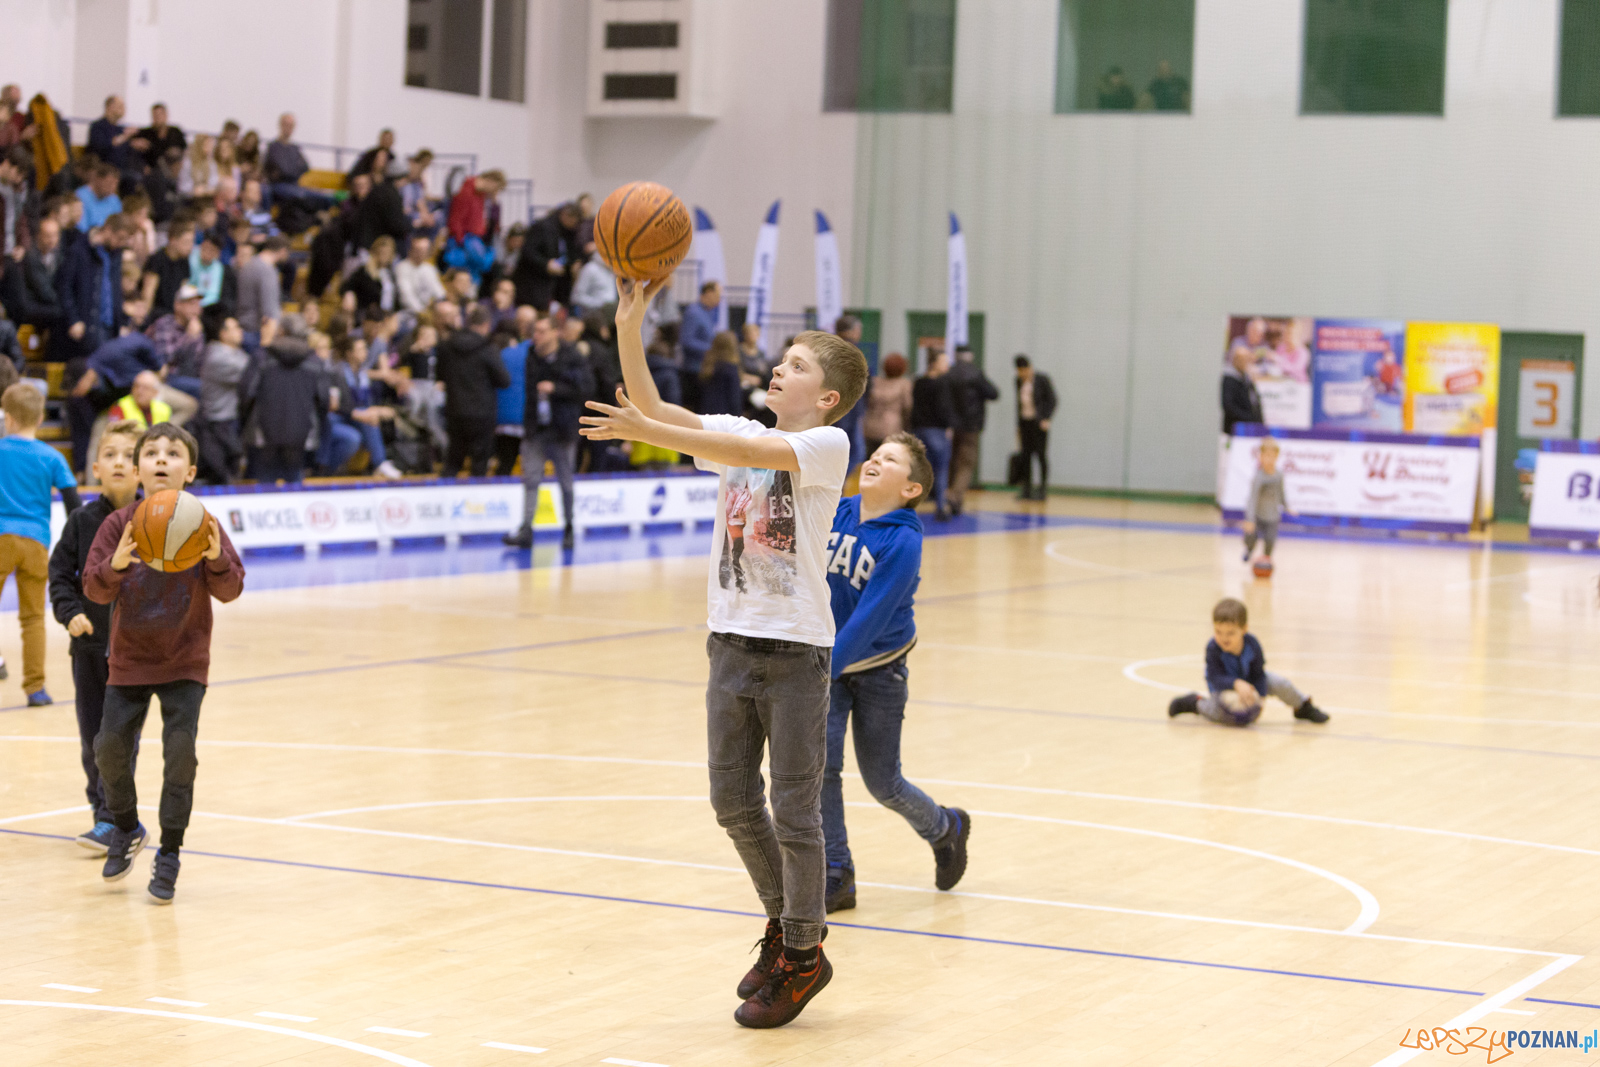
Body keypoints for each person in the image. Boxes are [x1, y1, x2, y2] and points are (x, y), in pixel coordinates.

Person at [579, 278, 869, 1030]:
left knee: (794, 813)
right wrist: (629, 328)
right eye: (783, 357)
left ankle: (804, 953)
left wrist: (654, 428)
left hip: (797, 650)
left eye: (798, 364)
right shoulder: (741, 429)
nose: (780, 367)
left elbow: (730, 445)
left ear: (828, 397)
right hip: (730, 643)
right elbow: (660, 409)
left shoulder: (822, 445)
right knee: (732, 802)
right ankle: (787, 927)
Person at [85, 421, 245, 903]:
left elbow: (232, 588)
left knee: (179, 756)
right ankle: (127, 826)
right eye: (151, 453)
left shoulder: (205, 524)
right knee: (108, 748)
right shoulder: (119, 524)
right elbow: (93, 587)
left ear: (190, 471)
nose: (160, 459)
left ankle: (170, 850)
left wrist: (215, 558)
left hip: (185, 661)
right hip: (130, 659)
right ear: (137, 469)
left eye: (172, 453)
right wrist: (114, 566)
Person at [820, 433, 969, 912]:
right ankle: (836, 872)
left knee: (883, 783)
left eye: (889, 460)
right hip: (828, 664)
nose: (874, 461)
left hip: (878, 670)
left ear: (911, 488)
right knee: (821, 768)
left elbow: (869, 620)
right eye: (875, 454)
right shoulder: (837, 511)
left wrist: (820, 671)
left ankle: (946, 827)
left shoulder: (903, 541)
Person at [48, 419, 142, 852]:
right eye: (110, 455)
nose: (119, 462)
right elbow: (59, 575)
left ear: (141, 467)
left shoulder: (156, 521)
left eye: (128, 455)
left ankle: (116, 817)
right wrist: (70, 614)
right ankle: (102, 813)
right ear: (95, 467)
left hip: (137, 653)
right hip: (88, 650)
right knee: (93, 738)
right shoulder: (81, 521)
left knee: (119, 737)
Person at [0, 382, 82, 706]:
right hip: (36, 542)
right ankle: (36, 688)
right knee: (33, 618)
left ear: (9, 418)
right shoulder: (53, 457)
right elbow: (73, 503)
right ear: (38, 418)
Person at [503, 314, 591, 550]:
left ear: (555, 332)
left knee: (566, 481)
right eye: (535, 332)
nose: (536, 336)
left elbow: (585, 387)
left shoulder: (572, 357)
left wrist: (556, 389)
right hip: (536, 427)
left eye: (542, 331)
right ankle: (526, 529)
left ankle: (569, 528)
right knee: (530, 479)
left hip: (562, 429)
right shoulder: (532, 355)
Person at [1168, 598, 1328, 727]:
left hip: (1250, 682)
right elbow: (1215, 677)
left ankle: (1302, 707)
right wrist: (1236, 683)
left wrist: (1261, 696)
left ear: (1244, 629)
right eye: (1218, 632)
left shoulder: (1252, 644)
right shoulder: (1213, 648)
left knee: (1281, 683)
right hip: (1222, 688)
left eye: (1230, 633)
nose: (1223, 638)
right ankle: (1195, 704)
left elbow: (1258, 674)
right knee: (1224, 715)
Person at [241, 324, 325, 484]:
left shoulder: (262, 356)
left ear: (281, 332)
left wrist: (244, 420)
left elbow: (246, 393)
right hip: (302, 431)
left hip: (263, 431)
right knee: (295, 483)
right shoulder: (314, 360)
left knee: (265, 485)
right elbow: (323, 400)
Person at [439, 305, 511, 476]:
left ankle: (442, 500)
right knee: (479, 463)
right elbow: (504, 381)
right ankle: (476, 502)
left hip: (455, 410)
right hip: (482, 414)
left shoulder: (447, 346)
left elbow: (440, 375)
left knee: (453, 460)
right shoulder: (488, 348)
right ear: (486, 325)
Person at [945, 345, 998, 516]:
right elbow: (993, 393)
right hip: (971, 425)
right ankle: (955, 496)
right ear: (970, 356)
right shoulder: (976, 374)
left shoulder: (948, 373)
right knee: (966, 463)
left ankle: (949, 495)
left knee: (953, 461)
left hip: (952, 425)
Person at [196, 313, 248, 484]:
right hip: (218, 422)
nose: (241, 331)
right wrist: (265, 344)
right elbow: (251, 372)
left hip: (229, 419)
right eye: (235, 328)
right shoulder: (218, 357)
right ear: (223, 334)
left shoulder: (235, 353)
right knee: (223, 474)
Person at [910, 349, 956, 521]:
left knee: (918, 470)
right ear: (935, 363)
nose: (947, 365)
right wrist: (949, 426)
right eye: (944, 361)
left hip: (919, 429)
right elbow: (944, 409)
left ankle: (907, 506)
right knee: (941, 469)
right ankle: (940, 507)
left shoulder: (919, 382)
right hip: (936, 430)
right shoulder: (942, 384)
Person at [513, 201, 580, 311]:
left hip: (551, 284)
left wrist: (574, 261)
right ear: (565, 216)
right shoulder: (543, 227)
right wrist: (546, 264)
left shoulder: (566, 232)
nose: (574, 225)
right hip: (532, 284)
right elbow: (528, 251)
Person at [144, 283, 206, 399]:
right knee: (202, 388)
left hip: (190, 376)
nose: (196, 309)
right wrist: (189, 338)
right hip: (167, 378)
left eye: (198, 304)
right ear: (177, 305)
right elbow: (167, 358)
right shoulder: (164, 325)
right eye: (191, 304)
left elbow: (200, 362)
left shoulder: (196, 327)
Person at [444, 169, 505, 285]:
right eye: (496, 189)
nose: (494, 193)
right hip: (465, 239)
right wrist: (459, 240)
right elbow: (456, 218)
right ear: (492, 181)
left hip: (474, 238)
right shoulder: (466, 190)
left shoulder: (481, 196)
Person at [1241, 438, 1292, 564]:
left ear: (1277, 457)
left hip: (1272, 517)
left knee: (1270, 541)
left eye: (1272, 456)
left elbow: (1281, 493)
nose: (1269, 459)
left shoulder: (1279, 475)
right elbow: (1252, 498)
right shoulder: (1259, 477)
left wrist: (1286, 507)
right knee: (1250, 536)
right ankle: (1249, 549)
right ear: (1261, 457)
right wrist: (1250, 519)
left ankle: (1265, 562)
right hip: (1258, 516)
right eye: (1266, 456)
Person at [1014, 354, 1056, 502]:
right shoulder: (1018, 382)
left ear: (1029, 368)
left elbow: (1052, 400)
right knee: (1026, 456)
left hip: (1039, 424)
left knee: (1041, 455)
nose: (1022, 374)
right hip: (1026, 422)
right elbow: (1018, 404)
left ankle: (1042, 489)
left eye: (1024, 371)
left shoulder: (1042, 380)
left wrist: (1046, 418)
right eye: (1019, 371)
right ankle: (1027, 489)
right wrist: (1018, 426)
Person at [677, 280, 720, 414]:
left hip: (703, 370)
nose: (719, 300)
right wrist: (711, 350)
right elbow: (687, 341)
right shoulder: (694, 313)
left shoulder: (707, 313)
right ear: (708, 293)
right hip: (694, 371)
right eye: (718, 295)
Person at [141, 212, 195, 319]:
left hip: (175, 315)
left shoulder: (184, 262)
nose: (190, 247)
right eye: (186, 242)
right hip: (157, 314)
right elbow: (148, 295)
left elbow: (183, 294)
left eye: (191, 242)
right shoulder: (156, 260)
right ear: (173, 240)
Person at [832, 315, 869, 474]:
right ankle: (837, 483)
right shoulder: (853, 351)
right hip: (849, 408)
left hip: (834, 405)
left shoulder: (830, 348)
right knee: (853, 451)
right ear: (854, 331)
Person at [237, 235, 288, 343]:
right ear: (283, 251)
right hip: (257, 332)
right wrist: (267, 343)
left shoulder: (249, 264)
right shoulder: (267, 270)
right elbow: (269, 311)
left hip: (243, 327)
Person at [862, 352, 912, 457]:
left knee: (870, 458)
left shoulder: (875, 382)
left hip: (870, 426)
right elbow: (908, 407)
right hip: (892, 428)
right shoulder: (904, 384)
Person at [341, 233, 398, 317]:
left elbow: (396, 301)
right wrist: (349, 294)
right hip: (367, 315)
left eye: (386, 253)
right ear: (375, 252)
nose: (383, 256)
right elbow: (346, 287)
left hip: (386, 315)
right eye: (381, 252)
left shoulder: (390, 274)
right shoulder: (365, 271)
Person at [396, 232, 447, 312]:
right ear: (410, 249)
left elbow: (439, 292)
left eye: (424, 249)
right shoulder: (402, 267)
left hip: (429, 310)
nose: (421, 253)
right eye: (418, 249)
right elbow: (406, 296)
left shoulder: (429, 268)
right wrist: (421, 312)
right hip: (409, 311)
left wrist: (441, 304)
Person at [699, 329, 745, 417]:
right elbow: (734, 399)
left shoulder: (708, 366)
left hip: (706, 413)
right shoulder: (731, 369)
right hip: (725, 417)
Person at [133, 103, 185, 171]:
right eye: (155, 115)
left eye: (160, 115)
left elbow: (182, 149)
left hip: (171, 167)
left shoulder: (175, 132)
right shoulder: (146, 133)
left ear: (165, 115)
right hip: (151, 168)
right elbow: (134, 142)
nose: (158, 118)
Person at [75, 162, 122, 231]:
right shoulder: (80, 197)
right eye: (109, 183)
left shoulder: (114, 199)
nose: (113, 188)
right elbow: (81, 228)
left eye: (115, 184)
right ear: (98, 179)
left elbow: (119, 224)